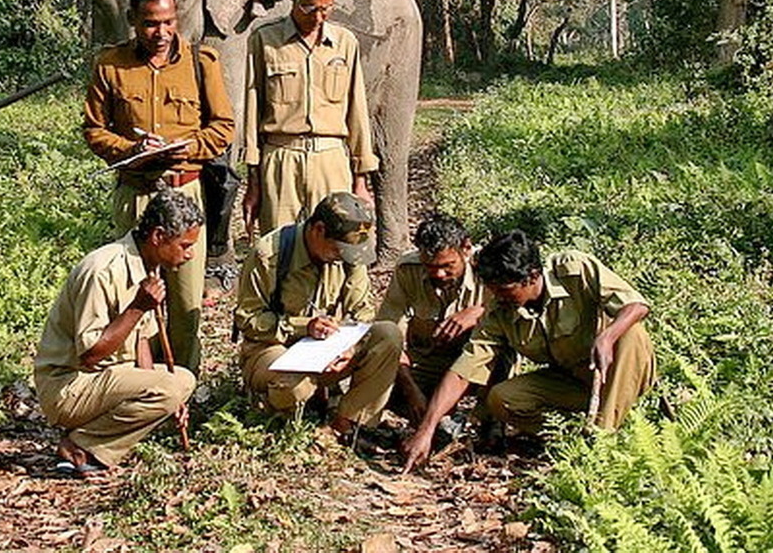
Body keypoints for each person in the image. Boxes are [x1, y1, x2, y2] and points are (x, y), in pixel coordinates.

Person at [402, 230, 656, 472]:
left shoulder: (574, 269)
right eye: (493, 291)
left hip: (618, 376)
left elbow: (636, 305)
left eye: (504, 291)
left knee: (630, 333)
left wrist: (607, 336)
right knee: (502, 399)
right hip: (573, 382)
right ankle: (575, 436)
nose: (498, 298)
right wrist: (426, 430)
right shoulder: (499, 312)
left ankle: (602, 443)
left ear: (532, 277)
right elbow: (464, 370)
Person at [83, 0, 235, 373]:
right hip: (137, 193)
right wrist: (131, 151)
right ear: (133, 20)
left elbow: (223, 128)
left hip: (186, 195)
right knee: (136, 294)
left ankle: (182, 383)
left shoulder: (202, 63)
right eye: (151, 24)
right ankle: (136, 382)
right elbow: (94, 131)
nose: (162, 33)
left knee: (185, 303)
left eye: (169, 22)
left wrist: (189, 147)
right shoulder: (110, 65)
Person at [34, 190, 201, 475]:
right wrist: (137, 308)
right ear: (158, 237)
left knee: (177, 382)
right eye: (184, 245)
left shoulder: (150, 267)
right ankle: (80, 446)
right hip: (68, 385)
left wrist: (164, 397)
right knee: (179, 382)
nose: (190, 254)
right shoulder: (102, 270)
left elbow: (141, 344)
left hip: (102, 379)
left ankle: (87, 440)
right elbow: (89, 356)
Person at [234, 192, 403, 455]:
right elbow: (247, 318)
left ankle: (347, 423)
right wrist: (303, 326)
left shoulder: (349, 256)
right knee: (293, 384)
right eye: (338, 250)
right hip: (272, 350)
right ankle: (278, 414)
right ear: (318, 230)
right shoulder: (271, 254)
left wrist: (352, 349)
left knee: (389, 335)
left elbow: (363, 312)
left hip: (329, 349)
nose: (342, 258)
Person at [241, 0, 378, 238]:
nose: (317, 17)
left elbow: (357, 113)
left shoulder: (345, 43)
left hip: (332, 161)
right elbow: (252, 112)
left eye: (326, 9)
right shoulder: (264, 40)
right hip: (280, 160)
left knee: (337, 246)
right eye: (309, 7)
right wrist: (253, 183)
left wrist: (361, 181)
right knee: (279, 250)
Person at [377, 213, 507, 425]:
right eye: (430, 266)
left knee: (504, 355)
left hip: (476, 363)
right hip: (427, 363)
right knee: (375, 375)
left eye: (448, 266)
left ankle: (488, 422)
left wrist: (478, 312)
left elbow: (517, 310)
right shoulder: (407, 270)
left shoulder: (489, 267)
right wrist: (411, 390)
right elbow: (389, 334)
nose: (438, 274)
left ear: (466, 249)